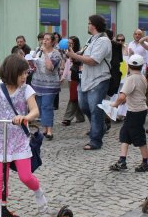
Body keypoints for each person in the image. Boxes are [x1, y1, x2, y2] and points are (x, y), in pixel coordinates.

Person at [0, 54, 47, 217]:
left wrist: (25, 117)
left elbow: (35, 111)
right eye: (22, 74)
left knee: (25, 176)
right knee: (0, 178)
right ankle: (1, 212)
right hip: (1, 140)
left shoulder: (26, 89)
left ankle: (39, 192)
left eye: (26, 73)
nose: (25, 77)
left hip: (19, 139)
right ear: (12, 73)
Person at [65, 14, 112, 151]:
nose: (87, 25)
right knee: (84, 106)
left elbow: (93, 60)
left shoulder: (104, 41)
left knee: (95, 110)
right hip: (85, 78)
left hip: (99, 79)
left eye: (89, 23)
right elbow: (83, 54)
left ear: (94, 25)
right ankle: (101, 126)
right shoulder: (91, 39)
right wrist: (71, 52)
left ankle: (95, 140)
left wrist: (75, 56)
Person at [109, 54, 148, 171]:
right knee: (125, 134)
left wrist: (114, 105)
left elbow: (122, 96)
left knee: (139, 136)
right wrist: (125, 100)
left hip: (135, 111)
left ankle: (146, 162)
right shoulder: (142, 77)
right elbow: (138, 93)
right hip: (139, 110)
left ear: (129, 66)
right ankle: (122, 160)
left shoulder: (131, 79)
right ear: (141, 66)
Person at [31, 32, 61, 140]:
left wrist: (46, 54)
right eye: (44, 39)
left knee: (47, 106)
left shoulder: (56, 53)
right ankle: (44, 128)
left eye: (48, 39)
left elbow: (50, 67)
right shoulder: (38, 51)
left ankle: (49, 131)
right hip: (37, 83)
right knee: (40, 107)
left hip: (50, 85)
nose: (44, 41)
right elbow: (33, 65)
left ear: (53, 42)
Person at [61, 36, 84, 126]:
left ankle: (67, 118)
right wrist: (64, 76)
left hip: (78, 76)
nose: (69, 44)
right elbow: (67, 65)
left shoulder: (79, 52)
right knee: (75, 96)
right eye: (68, 43)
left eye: (71, 43)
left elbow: (80, 63)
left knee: (74, 97)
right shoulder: (67, 52)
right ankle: (80, 116)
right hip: (71, 76)